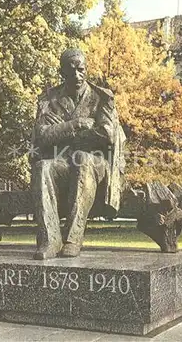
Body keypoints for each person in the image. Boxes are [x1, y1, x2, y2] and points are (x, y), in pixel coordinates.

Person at [31, 48, 126, 260]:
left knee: (82, 158)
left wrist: (62, 131)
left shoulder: (101, 98)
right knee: (42, 167)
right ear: (62, 72)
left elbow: (107, 134)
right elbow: (42, 136)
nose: (77, 75)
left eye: (81, 69)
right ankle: (50, 239)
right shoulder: (48, 99)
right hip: (64, 162)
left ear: (86, 70)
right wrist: (77, 125)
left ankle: (73, 238)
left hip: (96, 164)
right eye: (71, 70)